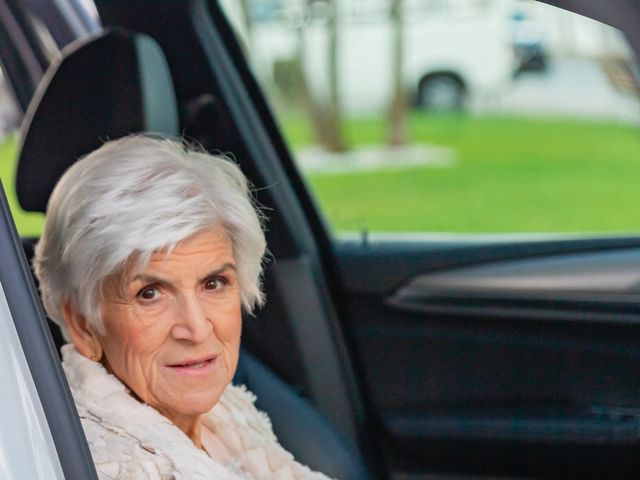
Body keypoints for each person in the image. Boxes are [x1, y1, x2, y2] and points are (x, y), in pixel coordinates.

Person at [34, 135, 331, 480]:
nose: (197, 328)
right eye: (150, 293)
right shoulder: (109, 466)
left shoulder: (225, 411)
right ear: (84, 324)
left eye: (213, 283)